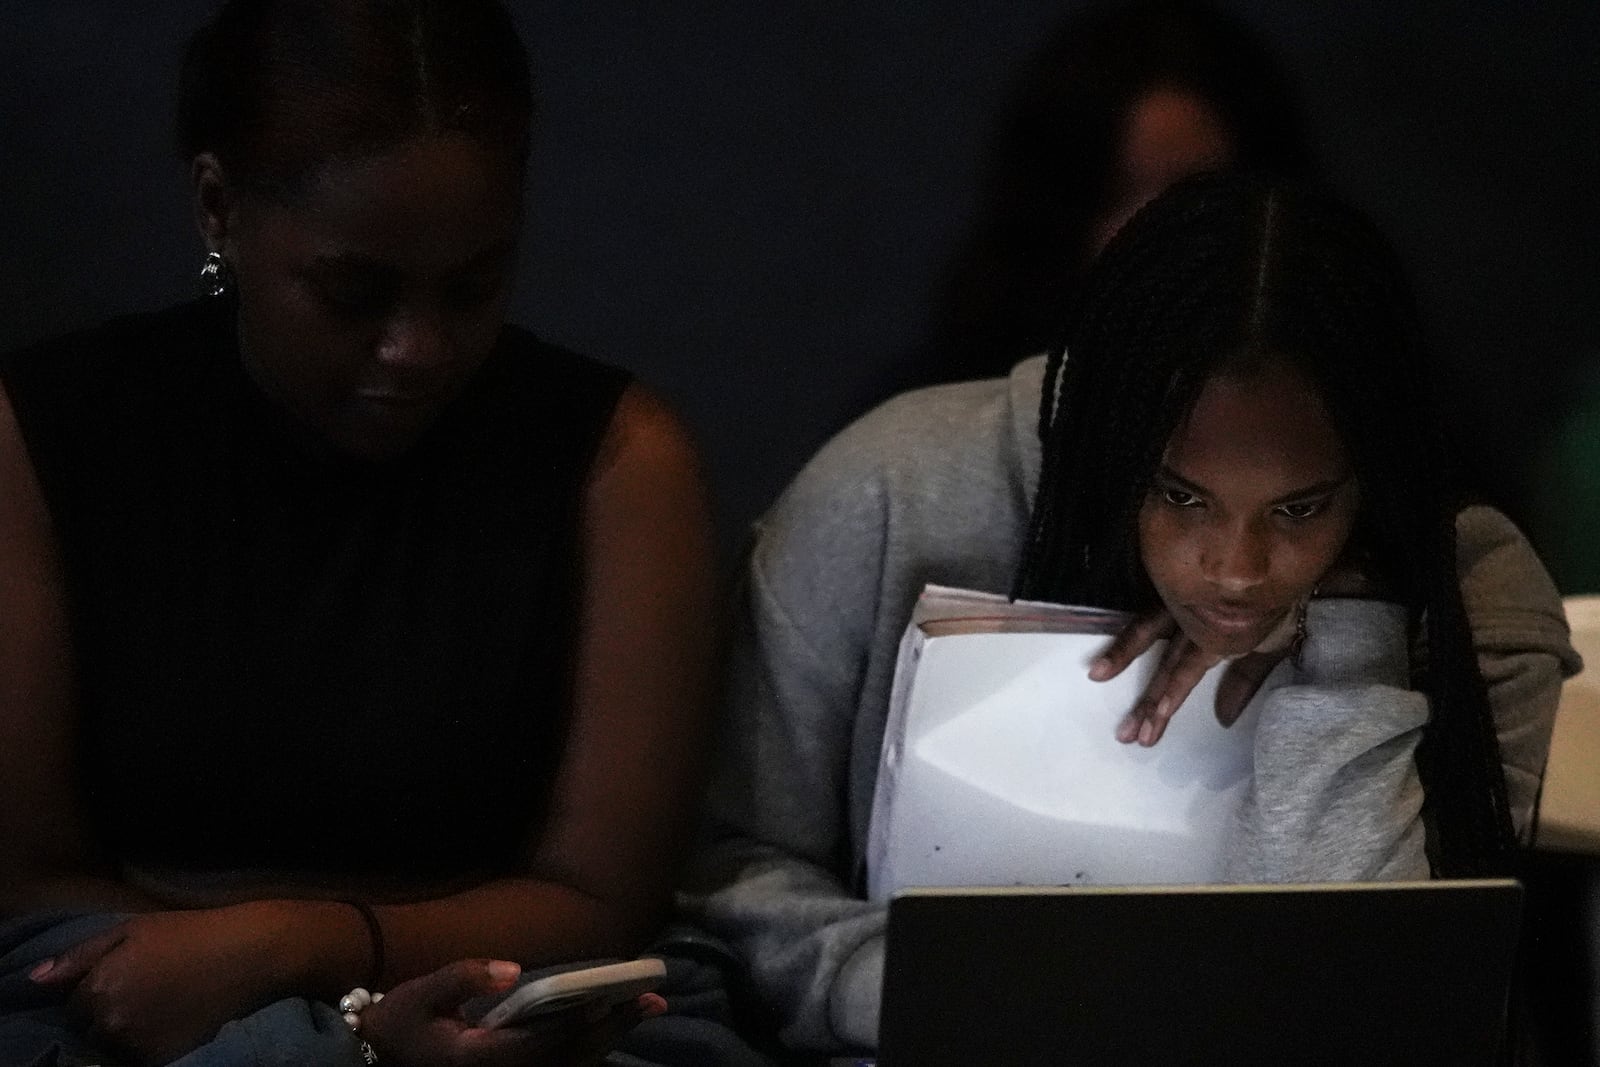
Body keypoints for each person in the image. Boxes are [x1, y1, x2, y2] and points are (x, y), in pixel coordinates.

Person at [685, 171, 1578, 1056]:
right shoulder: (892, 497)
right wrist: (919, 992)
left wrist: (1351, 636)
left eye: (1301, 509)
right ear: (1109, 441)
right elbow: (728, 862)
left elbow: (1380, 1014)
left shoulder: (1473, 596)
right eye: (1178, 494)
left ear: (1374, 473)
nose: (1234, 571)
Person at [0, 2, 716, 1065]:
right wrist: (291, 1019)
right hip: (133, 995)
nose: (418, 349)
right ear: (217, 208)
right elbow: (23, 873)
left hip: (505, 997)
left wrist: (295, 954)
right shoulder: (47, 433)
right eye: (354, 293)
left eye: (473, 286)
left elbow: (601, 893)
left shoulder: (617, 459)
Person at [915, 0, 1309, 389]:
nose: (1153, 237)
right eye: (1113, 197)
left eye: (1194, 198)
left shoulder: (1335, 405)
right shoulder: (937, 424)